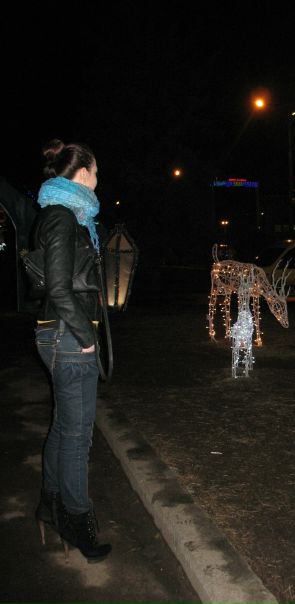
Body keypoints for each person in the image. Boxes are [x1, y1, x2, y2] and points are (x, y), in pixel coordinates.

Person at [33, 138, 111, 562]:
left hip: (60, 333)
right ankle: (78, 522)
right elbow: (60, 290)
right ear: (82, 173)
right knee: (77, 436)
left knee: (64, 427)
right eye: (95, 172)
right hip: (68, 335)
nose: (98, 179)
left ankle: (51, 505)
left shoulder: (62, 214)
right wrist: (87, 337)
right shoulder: (62, 217)